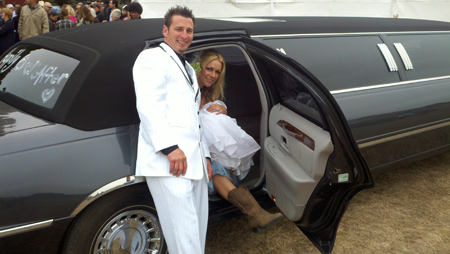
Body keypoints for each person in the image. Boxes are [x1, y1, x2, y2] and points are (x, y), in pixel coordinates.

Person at [132, 5, 212, 254]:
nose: (185, 34)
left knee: (196, 229)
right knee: (183, 234)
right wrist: (170, 147)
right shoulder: (150, 58)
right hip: (168, 161)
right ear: (165, 30)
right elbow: (149, 105)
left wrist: (205, 155)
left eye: (189, 30)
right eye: (179, 28)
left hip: (194, 161)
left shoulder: (189, 68)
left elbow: (194, 116)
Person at [194, 49, 284, 233]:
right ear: (200, 67)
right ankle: (255, 213)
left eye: (217, 72)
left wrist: (222, 108)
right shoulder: (188, 92)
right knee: (217, 168)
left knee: (222, 170)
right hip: (194, 147)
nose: (213, 75)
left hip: (209, 147)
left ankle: (255, 213)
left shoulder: (207, 92)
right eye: (209, 69)